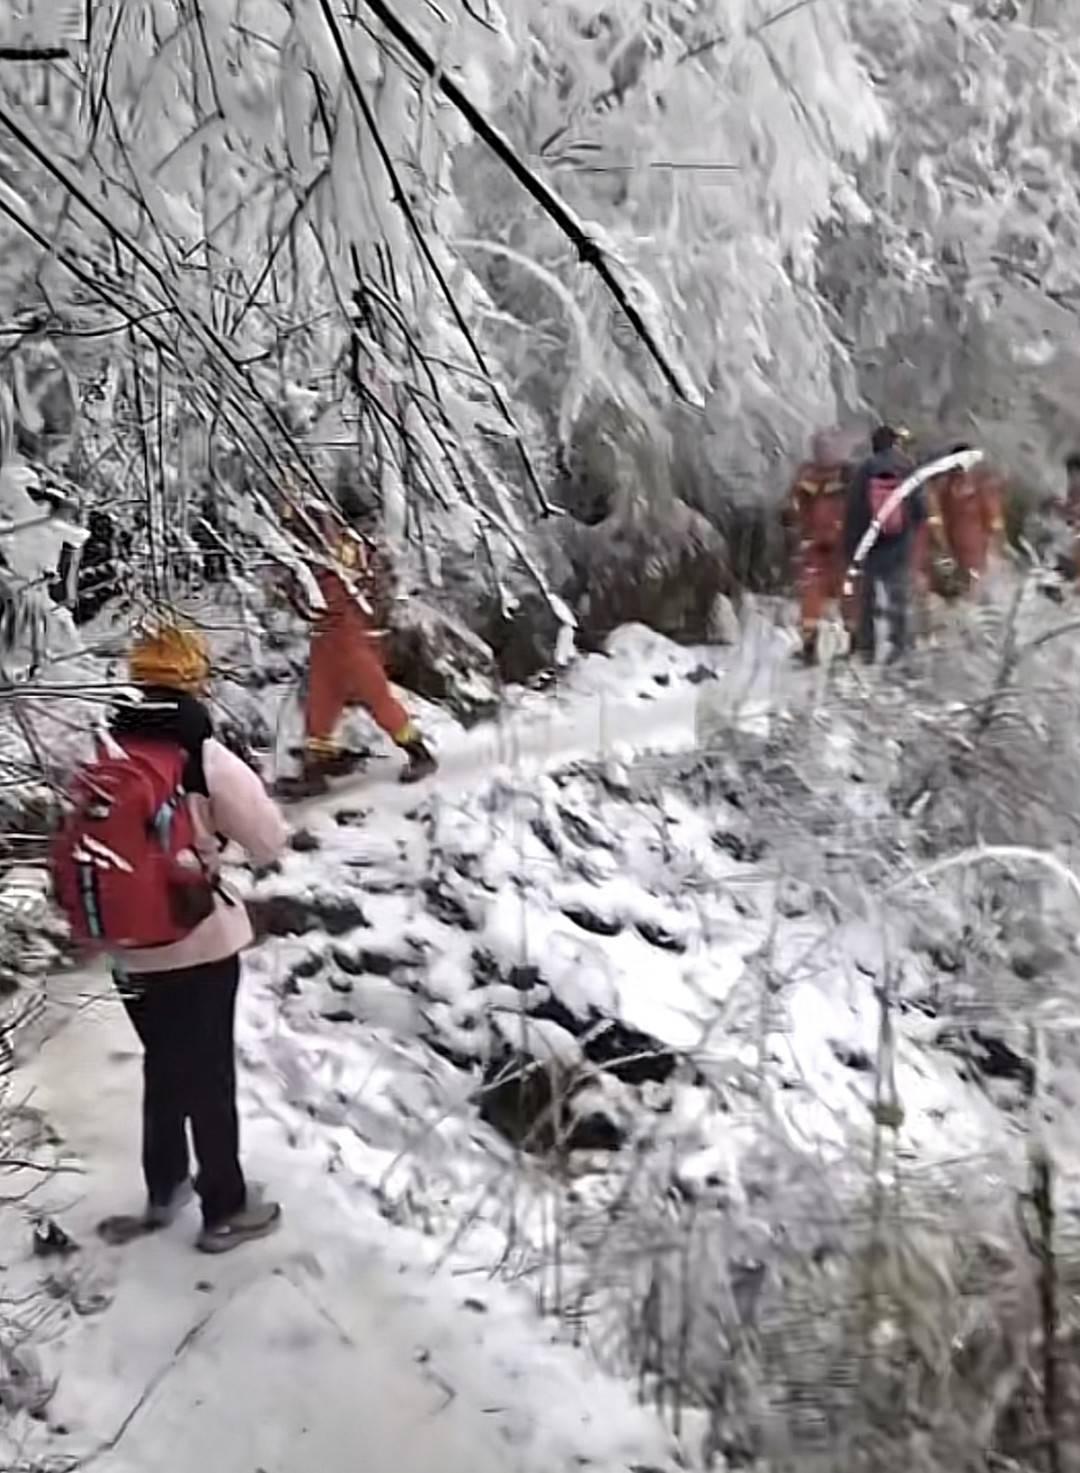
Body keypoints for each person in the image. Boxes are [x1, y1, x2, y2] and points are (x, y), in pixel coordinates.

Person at [101, 624, 288, 1252]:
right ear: (193, 679)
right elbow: (269, 839)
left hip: (127, 949)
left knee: (165, 1062)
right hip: (197, 941)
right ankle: (226, 1208)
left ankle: (165, 1188)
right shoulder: (201, 755)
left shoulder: (102, 749)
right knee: (209, 1075)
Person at [286, 488, 437, 794]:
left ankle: (420, 753)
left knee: (378, 698)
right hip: (326, 639)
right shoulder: (319, 555)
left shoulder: (353, 551)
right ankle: (314, 770)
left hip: (351, 638)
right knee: (320, 706)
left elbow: (366, 591)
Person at [844, 424, 924, 664]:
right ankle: (900, 647)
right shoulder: (907, 467)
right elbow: (920, 508)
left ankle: (867, 649)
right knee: (898, 595)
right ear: (894, 443)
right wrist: (908, 528)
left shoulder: (865, 470)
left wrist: (852, 546)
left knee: (867, 596)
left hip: (871, 542)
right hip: (899, 542)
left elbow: (855, 510)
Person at [786, 431, 852, 665]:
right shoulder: (811, 474)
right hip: (819, 542)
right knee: (814, 593)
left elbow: (794, 505)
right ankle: (811, 643)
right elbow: (794, 506)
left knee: (843, 590)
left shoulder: (843, 474)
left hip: (835, 543)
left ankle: (853, 639)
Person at [932, 444, 1006, 593]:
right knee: (972, 583)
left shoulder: (947, 485)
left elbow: (992, 515)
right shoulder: (973, 484)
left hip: (965, 542)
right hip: (969, 542)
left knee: (972, 583)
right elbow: (993, 515)